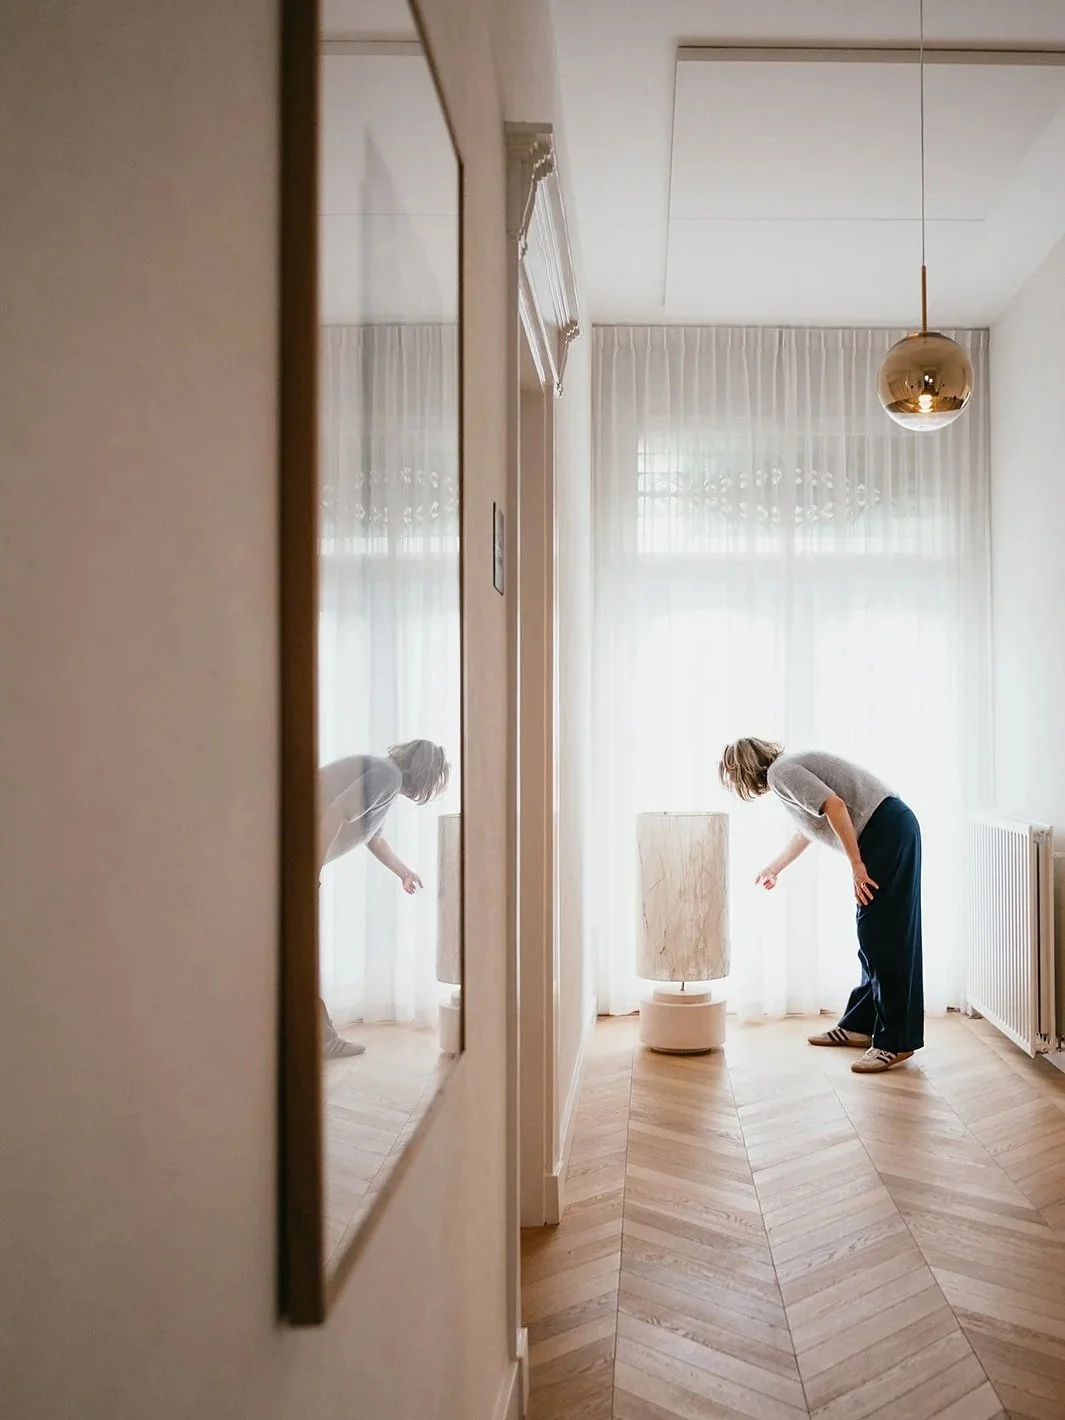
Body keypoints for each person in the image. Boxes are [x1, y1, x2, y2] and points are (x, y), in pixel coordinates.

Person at [718, 738, 923, 1074]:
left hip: (886, 830)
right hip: (886, 828)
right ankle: (860, 1024)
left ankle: (895, 1042)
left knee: (883, 934)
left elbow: (835, 806)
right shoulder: (786, 771)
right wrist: (774, 868)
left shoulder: (781, 773)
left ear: (743, 771)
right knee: (874, 933)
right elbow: (809, 829)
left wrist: (856, 865)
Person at [317, 739, 450, 1058]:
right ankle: (321, 1038)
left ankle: (320, 1036)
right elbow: (336, 812)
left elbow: (373, 838)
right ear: (425, 776)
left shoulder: (384, 777)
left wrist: (404, 872)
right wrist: (312, 866)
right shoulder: (386, 776)